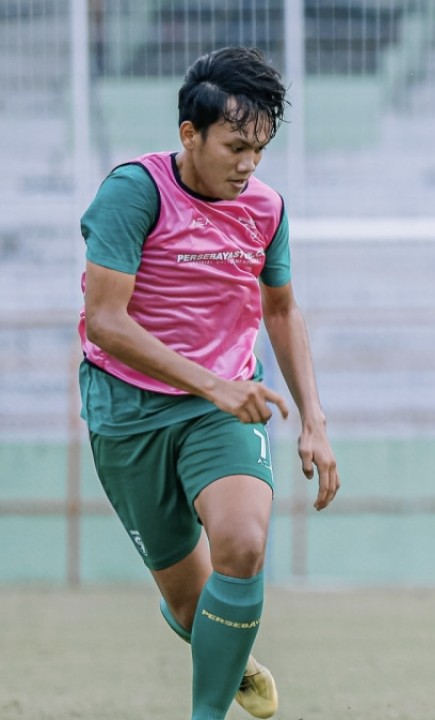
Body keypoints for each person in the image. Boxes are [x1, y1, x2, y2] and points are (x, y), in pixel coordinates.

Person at [78, 47, 339, 720]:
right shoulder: (133, 192)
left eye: (260, 149)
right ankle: (226, 652)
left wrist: (315, 419)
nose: (248, 164)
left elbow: (280, 309)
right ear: (189, 135)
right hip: (127, 410)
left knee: (244, 546)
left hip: (223, 409)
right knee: (195, 608)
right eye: (235, 146)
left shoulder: (266, 208)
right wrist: (212, 384)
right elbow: (106, 321)